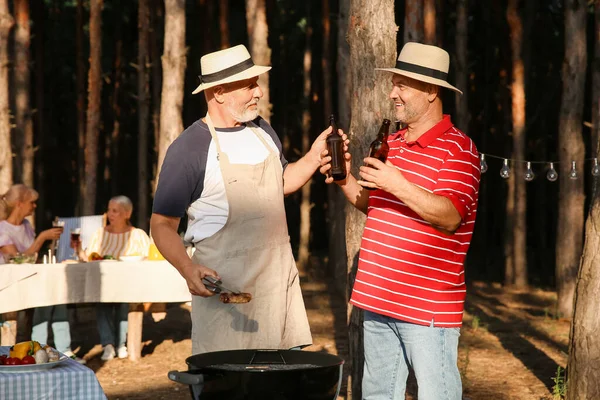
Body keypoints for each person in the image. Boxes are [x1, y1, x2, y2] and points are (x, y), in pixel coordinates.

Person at [320, 42, 480, 399]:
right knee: (378, 394)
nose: (393, 93)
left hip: (428, 307)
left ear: (432, 91)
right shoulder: (392, 143)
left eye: (402, 85)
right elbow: (375, 204)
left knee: (436, 394)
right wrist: (345, 179)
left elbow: (450, 216)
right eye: (394, 83)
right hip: (377, 299)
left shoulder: (459, 149)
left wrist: (396, 182)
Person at [151, 44, 331, 354]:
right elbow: (162, 224)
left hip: (277, 289)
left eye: (256, 83)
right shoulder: (189, 148)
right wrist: (186, 268)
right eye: (249, 85)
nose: (258, 91)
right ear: (219, 92)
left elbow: (281, 182)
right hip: (227, 299)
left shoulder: (262, 131)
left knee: (282, 385)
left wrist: (314, 157)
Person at [0, 184, 85, 363]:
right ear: (19, 204)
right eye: (32, 202)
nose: (35, 206)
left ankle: (63, 348)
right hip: (11, 284)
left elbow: (33, 257)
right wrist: (41, 238)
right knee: (45, 297)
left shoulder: (26, 225)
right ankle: (40, 347)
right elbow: (17, 259)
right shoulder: (2, 228)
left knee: (57, 296)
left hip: (31, 280)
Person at [73, 195, 150, 360]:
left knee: (124, 301)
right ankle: (108, 345)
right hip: (103, 284)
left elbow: (146, 261)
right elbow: (89, 259)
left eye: (115, 211)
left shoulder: (138, 235)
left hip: (128, 285)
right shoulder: (100, 234)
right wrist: (79, 248)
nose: (110, 214)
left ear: (127, 214)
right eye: (109, 210)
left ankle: (121, 344)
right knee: (103, 302)